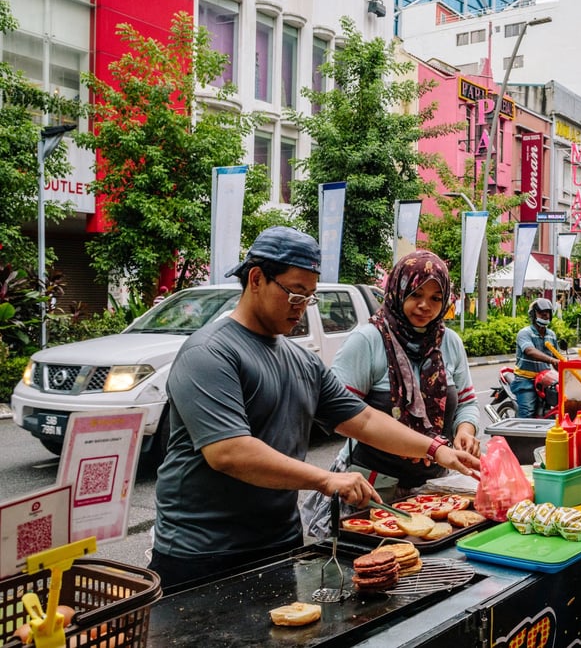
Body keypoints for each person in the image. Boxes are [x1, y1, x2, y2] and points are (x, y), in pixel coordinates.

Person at [149, 227, 480, 591]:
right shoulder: (210, 352)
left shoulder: (300, 361)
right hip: (201, 553)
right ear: (256, 279)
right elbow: (229, 451)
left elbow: (365, 419)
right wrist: (326, 480)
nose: (302, 306)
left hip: (280, 541)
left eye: (310, 296)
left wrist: (439, 451)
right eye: (294, 293)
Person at [300, 250, 481, 539]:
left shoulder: (449, 342)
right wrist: (432, 447)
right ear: (398, 290)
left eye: (436, 298)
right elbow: (341, 414)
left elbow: (468, 402)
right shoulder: (367, 341)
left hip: (433, 486)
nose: (425, 306)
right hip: (373, 489)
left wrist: (465, 430)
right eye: (416, 294)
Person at [511, 298, 559, 418]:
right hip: (526, 380)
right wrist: (551, 360)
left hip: (545, 381)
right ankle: (520, 435)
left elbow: (556, 357)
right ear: (533, 315)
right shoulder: (525, 333)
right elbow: (530, 351)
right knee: (527, 413)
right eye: (541, 312)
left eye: (547, 312)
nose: (545, 315)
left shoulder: (551, 335)